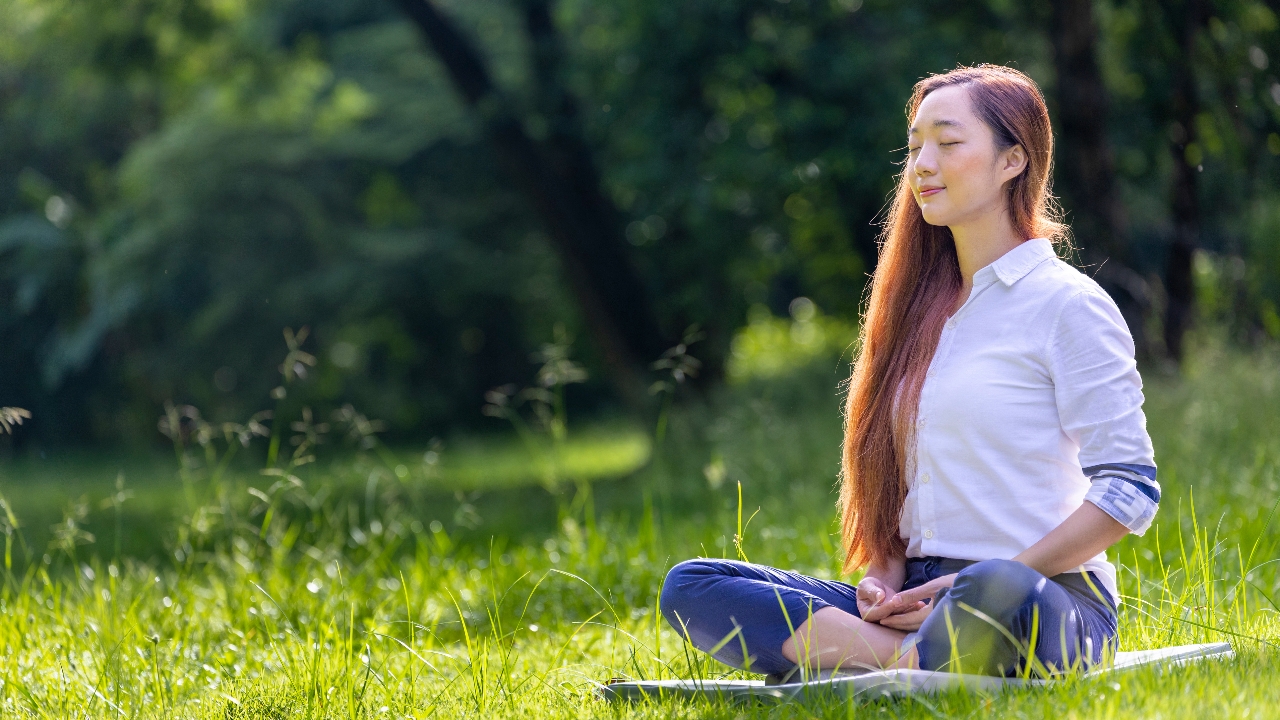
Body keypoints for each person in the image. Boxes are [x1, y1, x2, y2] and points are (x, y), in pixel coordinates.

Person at [659, 65, 1159, 681]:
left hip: (1040, 597)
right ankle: (907, 659)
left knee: (990, 586)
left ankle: (866, 658)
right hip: (915, 603)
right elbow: (904, 504)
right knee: (695, 585)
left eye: (947, 143)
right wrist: (880, 581)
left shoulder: (1066, 304)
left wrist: (992, 580)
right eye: (915, 145)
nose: (922, 163)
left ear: (1013, 162)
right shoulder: (919, 314)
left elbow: (1129, 488)